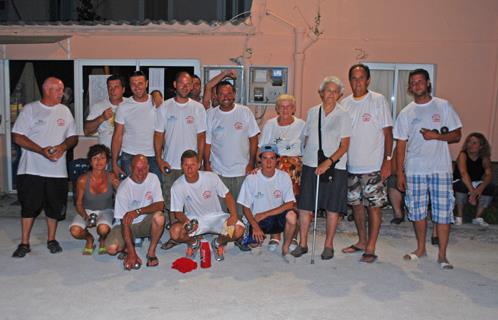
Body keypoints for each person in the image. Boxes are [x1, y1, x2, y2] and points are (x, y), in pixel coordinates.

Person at [394, 68, 462, 270]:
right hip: (415, 170)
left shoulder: (443, 106)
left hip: (440, 169)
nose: (416, 85)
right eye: (413, 82)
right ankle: (421, 249)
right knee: (418, 212)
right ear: (409, 86)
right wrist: (400, 172)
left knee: (443, 213)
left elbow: (457, 134)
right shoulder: (406, 112)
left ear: (428, 83)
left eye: (420, 81)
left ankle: (442, 255)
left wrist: (437, 136)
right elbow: (401, 145)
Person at [12, 77, 78, 258]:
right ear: (48, 90)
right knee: (29, 207)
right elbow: (17, 136)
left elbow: (73, 137)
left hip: (57, 172)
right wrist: (41, 150)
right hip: (32, 170)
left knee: (54, 207)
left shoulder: (64, 111)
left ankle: (51, 239)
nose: (62, 93)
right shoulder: (30, 109)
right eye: (59, 89)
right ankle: (24, 243)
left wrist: (63, 147)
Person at [290, 76, 351, 260]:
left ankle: (328, 245)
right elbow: (306, 137)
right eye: (327, 90)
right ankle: (303, 244)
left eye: (334, 91)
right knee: (305, 206)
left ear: (339, 95)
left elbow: (345, 145)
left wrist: (328, 162)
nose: (331, 94)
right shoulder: (312, 112)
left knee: (332, 207)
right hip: (311, 164)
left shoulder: (343, 114)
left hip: (335, 167)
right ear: (321, 93)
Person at [341, 64, 393, 263]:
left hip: (373, 166)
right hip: (351, 166)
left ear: (368, 80)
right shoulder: (345, 104)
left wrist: (387, 161)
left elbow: (388, 133)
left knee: (374, 207)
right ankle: (362, 241)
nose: (357, 82)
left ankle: (371, 246)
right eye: (354, 78)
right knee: (356, 206)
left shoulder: (378, 100)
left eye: (361, 78)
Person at [204, 81, 260, 232]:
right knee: (223, 209)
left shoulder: (245, 112)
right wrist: (207, 166)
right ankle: (226, 235)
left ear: (234, 94)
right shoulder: (211, 115)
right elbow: (207, 143)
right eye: (221, 94)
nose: (226, 97)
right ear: (216, 96)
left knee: (242, 208)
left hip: (242, 170)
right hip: (219, 171)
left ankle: (240, 237)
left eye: (229, 93)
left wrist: (251, 163)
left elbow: (254, 138)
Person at [169, 150, 245, 261]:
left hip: (217, 217)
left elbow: (227, 195)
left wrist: (233, 215)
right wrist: (187, 222)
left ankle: (218, 242)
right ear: (181, 166)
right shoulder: (177, 186)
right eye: (186, 165)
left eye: (193, 164)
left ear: (199, 165)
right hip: (195, 221)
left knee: (238, 229)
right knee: (174, 232)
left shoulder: (211, 177)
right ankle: (193, 243)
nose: (189, 168)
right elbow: (178, 212)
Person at [154, 71, 206, 211]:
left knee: (192, 204)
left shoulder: (198, 108)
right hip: (170, 165)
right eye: (181, 83)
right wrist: (159, 159)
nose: (185, 86)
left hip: (191, 166)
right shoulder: (164, 107)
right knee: (171, 204)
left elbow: (201, 137)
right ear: (175, 85)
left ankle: (192, 231)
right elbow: (158, 135)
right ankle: (174, 230)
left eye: (188, 84)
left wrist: (199, 160)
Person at [259, 94, 304, 251]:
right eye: (282, 106)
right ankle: (275, 235)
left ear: (293, 108)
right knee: (274, 200)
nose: (285, 109)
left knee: (293, 203)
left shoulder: (301, 125)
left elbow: (306, 149)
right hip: (274, 166)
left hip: (294, 169)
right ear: (277, 109)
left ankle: (292, 237)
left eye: (288, 106)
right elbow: (263, 147)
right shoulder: (270, 125)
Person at [106, 155, 165, 269]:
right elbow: (124, 223)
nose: (140, 172)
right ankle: (128, 247)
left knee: (160, 217)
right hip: (126, 226)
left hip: (144, 222)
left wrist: (137, 211)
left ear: (148, 168)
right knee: (111, 249)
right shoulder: (123, 189)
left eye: (143, 169)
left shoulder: (153, 178)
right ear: (131, 168)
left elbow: (160, 205)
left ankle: (151, 252)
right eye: (137, 169)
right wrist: (132, 254)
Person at [238, 144, 298, 256]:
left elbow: (290, 204)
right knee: (254, 245)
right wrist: (255, 226)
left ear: (277, 160)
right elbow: (245, 207)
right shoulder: (251, 178)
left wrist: (265, 214)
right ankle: (255, 235)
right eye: (265, 158)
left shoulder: (284, 176)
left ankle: (286, 244)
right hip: (258, 220)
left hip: (273, 216)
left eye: (272, 158)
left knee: (292, 215)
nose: (268, 162)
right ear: (260, 160)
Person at [69, 144, 120, 255]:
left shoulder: (111, 176)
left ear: (107, 161)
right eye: (95, 158)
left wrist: (119, 186)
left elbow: (122, 197)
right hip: (86, 209)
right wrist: (85, 216)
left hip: (106, 210)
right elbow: (78, 203)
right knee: (75, 231)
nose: (99, 161)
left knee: (103, 229)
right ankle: (89, 238)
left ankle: (103, 239)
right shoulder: (82, 179)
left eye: (102, 158)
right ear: (90, 161)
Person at [111, 71, 161, 179]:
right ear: (130, 86)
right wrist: (114, 163)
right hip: (129, 155)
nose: (137, 87)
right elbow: (117, 136)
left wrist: (156, 93)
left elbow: (162, 132)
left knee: (155, 191)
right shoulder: (123, 107)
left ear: (146, 83)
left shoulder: (156, 103)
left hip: (152, 156)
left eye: (140, 83)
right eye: (133, 84)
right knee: (130, 191)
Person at [453, 132, 494, 226]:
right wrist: (473, 192)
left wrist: (480, 189)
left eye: (474, 143)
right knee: (462, 186)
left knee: (490, 187)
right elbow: (463, 173)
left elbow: (489, 175)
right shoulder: (463, 155)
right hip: (460, 180)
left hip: (476, 182)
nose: (470, 145)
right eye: (468, 142)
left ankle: (477, 217)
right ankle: (459, 217)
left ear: (481, 146)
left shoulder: (484, 157)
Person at [84, 75, 127, 149]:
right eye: (110, 87)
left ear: (123, 90)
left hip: (127, 154)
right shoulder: (98, 106)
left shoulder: (130, 104)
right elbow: (87, 130)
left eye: (116, 87)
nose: (112, 90)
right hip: (106, 155)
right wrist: (102, 118)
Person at [386, 148, 406, 225]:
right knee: (392, 180)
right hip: (402, 174)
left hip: (417, 174)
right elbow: (393, 169)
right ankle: (398, 214)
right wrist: (401, 175)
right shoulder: (400, 147)